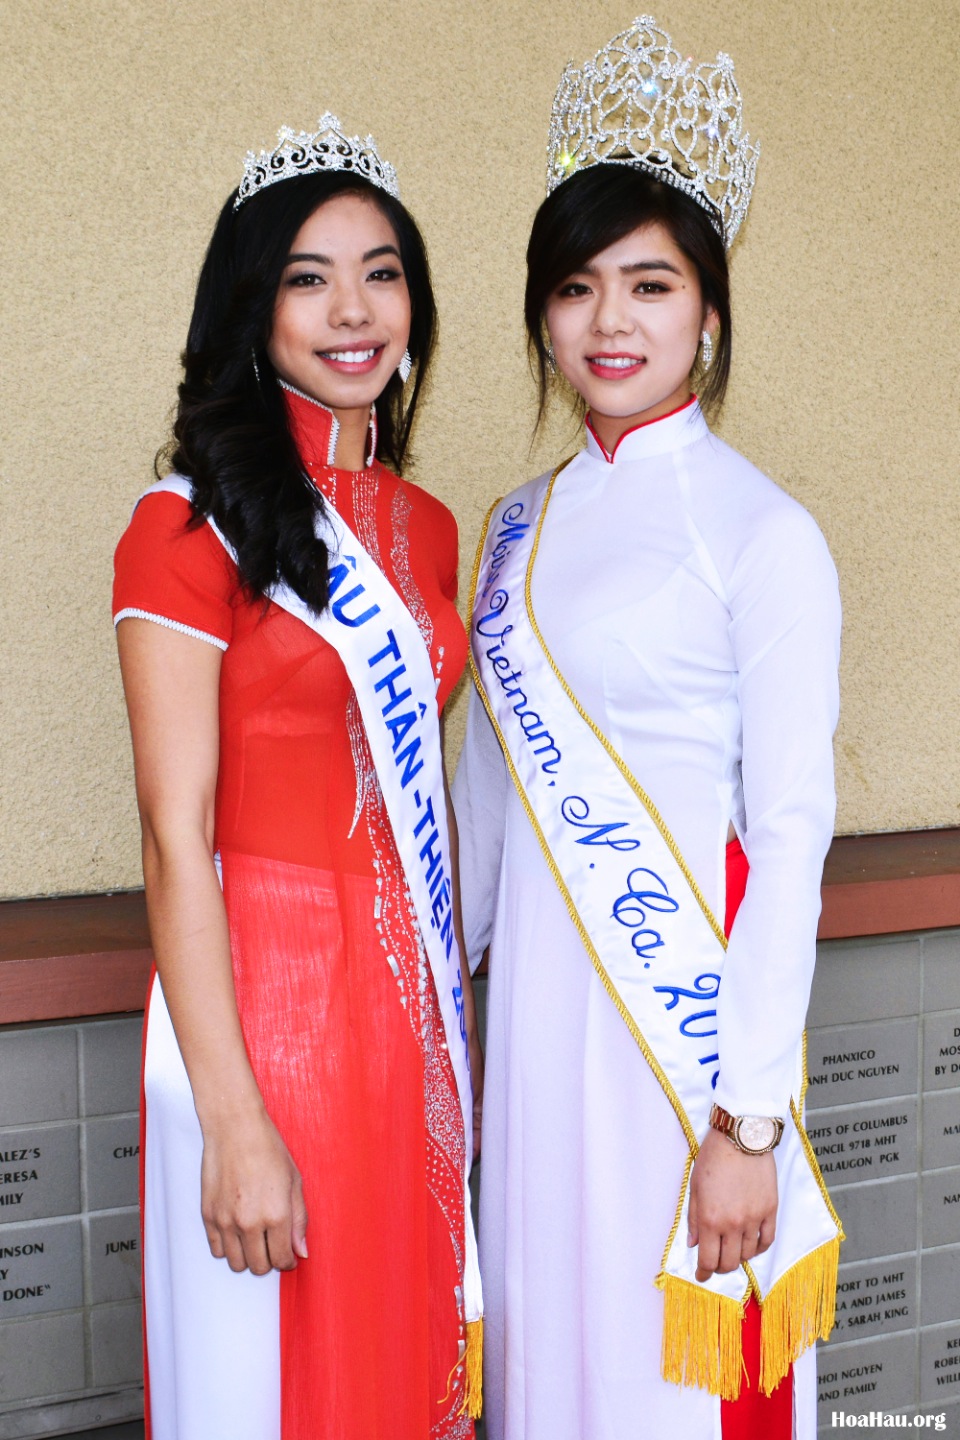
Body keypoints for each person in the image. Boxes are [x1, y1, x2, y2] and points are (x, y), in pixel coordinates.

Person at [453, 19, 842, 1440]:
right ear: (545, 315)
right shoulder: (513, 529)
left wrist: (746, 1126)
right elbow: (483, 808)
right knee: (556, 1370)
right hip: (538, 1041)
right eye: (576, 287)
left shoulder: (766, 534)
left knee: (670, 1389)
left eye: (650, 284)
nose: (610, 322)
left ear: (709, 313)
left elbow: (794, 834)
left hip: (684, 1053)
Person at [113, 115, 482, 1440]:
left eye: (381, 272)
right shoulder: (184, 525)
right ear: (251, 305)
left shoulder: (429, 528)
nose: (352, 310)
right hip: (262, 1013)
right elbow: (173, 836)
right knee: (273, 1377)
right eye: (307, 277)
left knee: (394, 1361)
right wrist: (232, 1120)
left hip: (403, 1012)